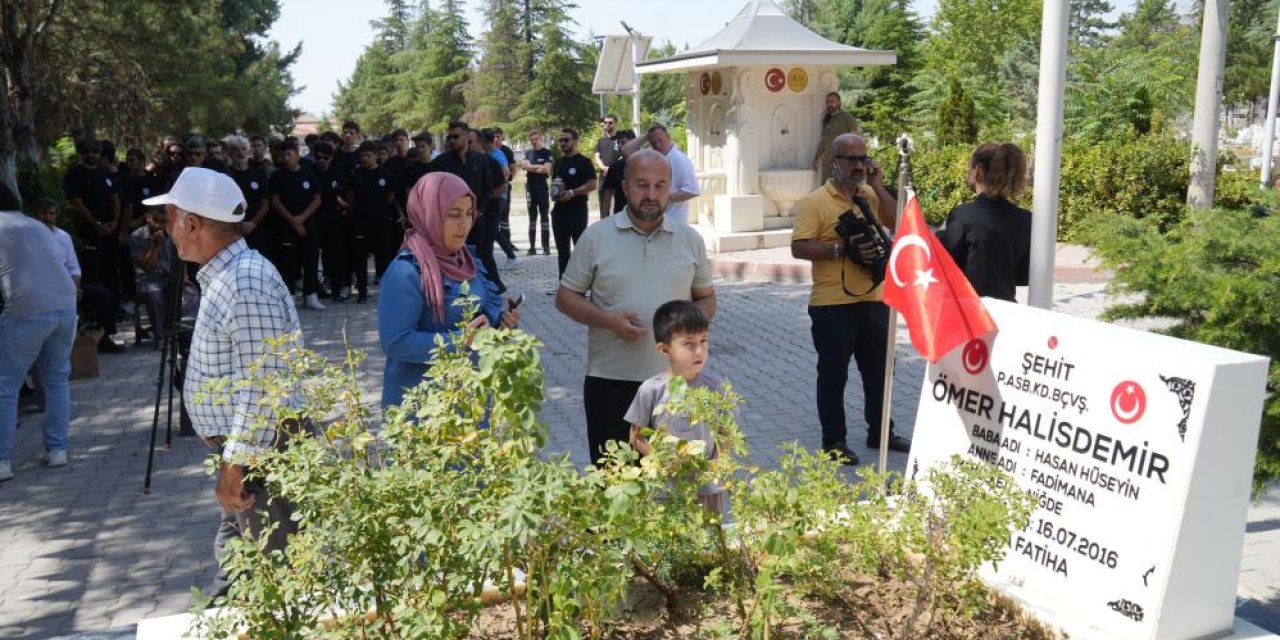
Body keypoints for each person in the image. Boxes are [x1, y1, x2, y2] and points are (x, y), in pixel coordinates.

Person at [143, 167, 304, 598]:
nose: (167, 231)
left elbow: (265, 386)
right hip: (245, 450)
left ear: (192, 223)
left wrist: (235, 468)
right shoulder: (227, 275)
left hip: (260, 453)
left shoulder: (243, 281)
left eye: (170, 219)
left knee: (270, 579)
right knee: (240, 570)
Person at [556, 149, 716, 462]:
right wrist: (608, 320)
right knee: (615, 487)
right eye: (642, 185)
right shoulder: (596, 238)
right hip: (611, 385)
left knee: (675, 487)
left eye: (661, 185)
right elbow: (566, 298)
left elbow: (707, 298)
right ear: (625, 186)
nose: (652, 195)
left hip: (675, 385)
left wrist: (688, 328)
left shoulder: (689, 239)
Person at [791, 133, 910, 465]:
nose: (859, 165)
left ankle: (881, 432)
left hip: (875, 299)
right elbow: (799, 246)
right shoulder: (816, 202)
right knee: (833, 376)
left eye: (863, 158)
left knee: (881, 372)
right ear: (835, 162)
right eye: (852, 159)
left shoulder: (870, 194)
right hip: (832, 305)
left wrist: (879, 183)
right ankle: (835, 442)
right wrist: (841, 249)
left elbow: (895, 219)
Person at [378, 172, 519, 409]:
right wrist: (459, 340)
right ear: (429, 215)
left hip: (470, 399)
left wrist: (500, 326)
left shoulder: (467, 262)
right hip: (422, 409)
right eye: (453, 215)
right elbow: (396, 342)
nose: (464, 224)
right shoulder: (407, 272)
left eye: (468, 213)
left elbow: (479, 323)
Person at [0, 183, 78, 481]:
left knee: (5, 386)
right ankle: (57, 450)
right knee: (57, 380)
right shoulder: (36, 225)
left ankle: (2, 461)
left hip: (26, 311)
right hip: (65, 305)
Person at [625, 300, 728, 514]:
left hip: (707, 490)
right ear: (664, 349)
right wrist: (664, 462)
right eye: (689, 344)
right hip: (665, 491)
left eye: (704, 340)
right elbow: (636, 436)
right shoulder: (651, 390)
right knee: (668, 544)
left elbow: (725, 434)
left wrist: (715, 465)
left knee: (708, 543)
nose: (699, 350)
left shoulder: (716, 387)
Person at [937, 142, 1032, 303]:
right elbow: (1023, 277)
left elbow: (941, 261)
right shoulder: (1026, 219)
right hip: (1006, 310)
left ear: (979, 171)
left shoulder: (963, 215)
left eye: (971, 168)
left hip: (968, 312)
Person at [32, 198, 122, 354]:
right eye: (43, 214)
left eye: (51, 213)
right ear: (36, 215)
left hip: (67, 286)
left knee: (102, 294)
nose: (47, 218)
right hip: (41, 288)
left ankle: (104, 338)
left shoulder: (63, 237)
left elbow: (74, 267)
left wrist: (75, 287)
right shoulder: (29, 237)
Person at [268, 139, 325, 310]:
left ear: (297, 155)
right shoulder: (277, 176)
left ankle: (311, 295)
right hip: (286, 226)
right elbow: (275, 201)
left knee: (311, 260)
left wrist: (301, 218)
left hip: (308, 224)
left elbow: (317, 199)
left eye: (289, 154)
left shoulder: (309, 174)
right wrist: (293, 221)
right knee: (288, 262)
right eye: (282, 155)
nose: (285, 158)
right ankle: (289, 296)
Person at [64, 138, 122, 300]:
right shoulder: (75, 174)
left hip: (110, 230)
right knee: (90, 271)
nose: (91, 155)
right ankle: (91, 311)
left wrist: (115, 222)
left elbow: (115, 198)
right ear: (81, 153)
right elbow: (77, 203)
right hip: (89, 233)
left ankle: (114, 307)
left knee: (111, 269)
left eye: (95, 151)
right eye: (86, 151)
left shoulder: (105, 172)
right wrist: (97, 225)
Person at [342, 140, 398, 300]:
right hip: (360, 222)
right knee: (360, 259)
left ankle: (387, 292)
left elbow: (390, 196)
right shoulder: (355, 175)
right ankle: (362, 292)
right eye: (363, 156)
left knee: (384, 257)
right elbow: (351, 197)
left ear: (376, 156)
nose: (365, 159)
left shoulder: (385, 174)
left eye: (369, 155)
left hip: (381, 222)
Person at [549, 127, 597, 290]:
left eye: (566, 140)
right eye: (560, 140)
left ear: (575, 141)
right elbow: (555, 183)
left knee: (580, 249)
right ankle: (563, 284)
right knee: (562, 250)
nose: (562, 143)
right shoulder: (559, 162)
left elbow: (592, 184)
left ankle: (584, 284)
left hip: (577, 211)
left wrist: (573, 192)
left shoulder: (584, 162)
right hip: (559, 212)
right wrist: (554, 193)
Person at [623, 124, 699, 225]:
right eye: (653, 143)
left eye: (660, 140)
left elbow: (692, 191)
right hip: (654, 222)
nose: (657, 145)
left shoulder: (679, 160)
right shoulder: (654, 158)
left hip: (673, 221)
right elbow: (626, 151)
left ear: (668, 137)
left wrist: (662, 198)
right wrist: (647, 135)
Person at [129, 207, 177, 344]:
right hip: (146, 279)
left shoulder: (172, 234)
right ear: (149, 218)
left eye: (164, 222)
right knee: (154, 294)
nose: (161, 226)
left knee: (191, 292)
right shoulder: (137, 236)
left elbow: (180, 259)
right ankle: (161, 337)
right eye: (157, 221)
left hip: (168, 277)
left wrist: (183, 278)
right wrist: (155, 245)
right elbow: (146, 266)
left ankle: (186, 335)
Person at [224, 135, 273, 252]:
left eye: (243, 148)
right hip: (233, 231)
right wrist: (238, 225)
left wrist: (251, 223)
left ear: (249, 151)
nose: (240, 153)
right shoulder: (225, 176)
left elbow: (265, 204)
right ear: (230, 153)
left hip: (256, 229)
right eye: (235, 150)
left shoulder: (259, 174)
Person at [481, 128, 519, 267]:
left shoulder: (496, 155)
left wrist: (492, 189)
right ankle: (509, 256)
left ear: (485, 141)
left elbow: (506, 173)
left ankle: (511, 257)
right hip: (497, 196)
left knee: (491, 229)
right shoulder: (492, 154)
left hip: (498, 197)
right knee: (492, 229)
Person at [812, 92, 860, 182]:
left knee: (841, 191)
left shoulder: (847, 117)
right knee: (826, 191)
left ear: (839, 103)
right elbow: (823, 141)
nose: (829, 104)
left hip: (842, 163)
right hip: (827, 163)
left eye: (832, 101)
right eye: (827, 102)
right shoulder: (826, 120)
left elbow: (856, 139)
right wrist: (816, 158)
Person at [522, 129, 553, 256]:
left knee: (544, 216)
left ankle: (546, 247)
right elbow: (524, 166)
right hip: (530, 187)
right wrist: (537, 167)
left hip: (542, 187)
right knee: (532, 217)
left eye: (536, 139)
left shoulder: (547, 153)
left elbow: (547, 169)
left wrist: (532, 167)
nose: (534, 142)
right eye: (532, 140)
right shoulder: (528, 152)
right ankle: (532, 247)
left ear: (541, 139)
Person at [599, 129, 637, 216]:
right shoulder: (615, 167)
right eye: (618, 142)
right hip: (620, 216)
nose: (620, 145)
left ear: (634, 143)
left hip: (642, 218)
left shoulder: (646, 163)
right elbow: (607, 196)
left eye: (623, 142)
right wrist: (605, 218)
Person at [594, 115, 622, 218]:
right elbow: (597, 157)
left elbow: (624, 155)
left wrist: (612, 168)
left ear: (615, 124)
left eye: (610, 123)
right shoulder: (601, 141)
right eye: (605, 123)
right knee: (603, 206)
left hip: (618, 177)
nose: (607, 125)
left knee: (620, 205)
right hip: (604, 177)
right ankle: (604, 227)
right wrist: (604, 168)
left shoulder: (620, 140)